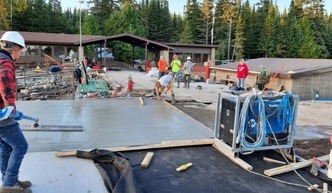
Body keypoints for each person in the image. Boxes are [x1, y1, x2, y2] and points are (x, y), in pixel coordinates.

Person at [0, 31, 32, 193]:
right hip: (1, 115)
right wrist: (10, 108)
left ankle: (8, 179)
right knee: (20, 146)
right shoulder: (5, 63)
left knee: (6, 147)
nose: (20, 54)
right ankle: (9, 185)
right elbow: (5, 85)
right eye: (21, 51)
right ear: (15, 49)